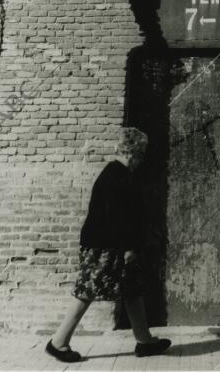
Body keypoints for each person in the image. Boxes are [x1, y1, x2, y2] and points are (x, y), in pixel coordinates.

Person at [46, 128, 170, 363]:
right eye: (141, 153)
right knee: (87, 290)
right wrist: (130, 247)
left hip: (111, 246)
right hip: (105, 248)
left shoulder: (118, 173)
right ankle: (58, 343)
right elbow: (118, 219)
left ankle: (145, 342)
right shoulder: (117, 176)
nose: (142, 158)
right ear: (133, 152)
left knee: (132, 289)